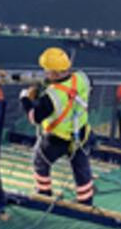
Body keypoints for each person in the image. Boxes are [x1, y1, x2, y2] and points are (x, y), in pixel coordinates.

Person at [20, 47, 94, 205]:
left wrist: (25, 99)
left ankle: (44, 193)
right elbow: (84, 90)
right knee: (81, 168)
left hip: (56, 139)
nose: (45, 73)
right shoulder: (82, 78)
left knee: (41, 161)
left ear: (54, 72)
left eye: (47, 70)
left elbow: (35, 117)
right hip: (81, 134)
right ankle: (86, 201)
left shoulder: (52, 97)